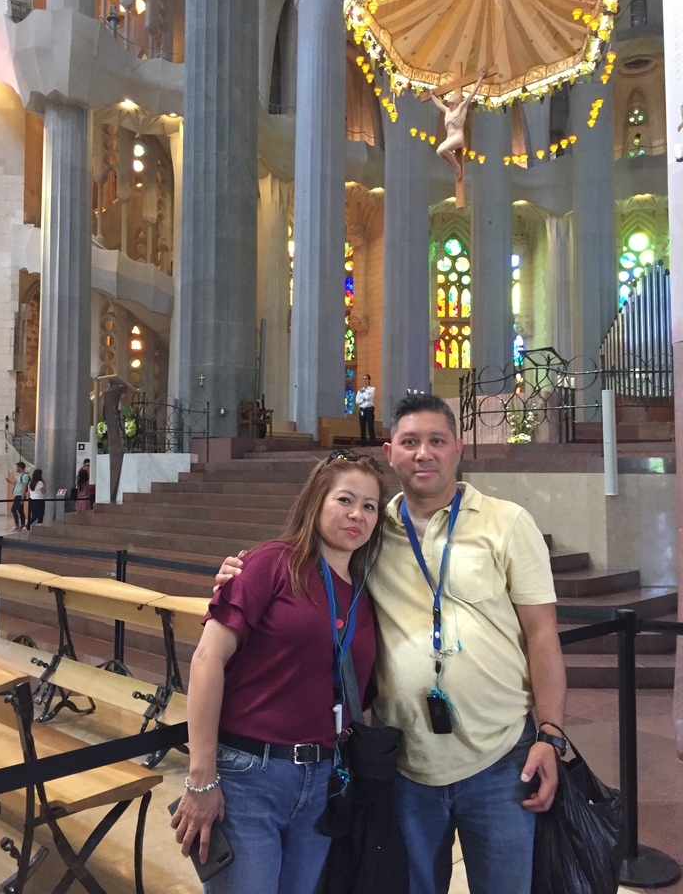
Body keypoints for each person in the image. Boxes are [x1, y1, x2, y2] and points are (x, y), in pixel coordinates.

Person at [217, 393, 567, 894]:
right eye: (410, 442)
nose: (423, 452)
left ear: (458, 448)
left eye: (437, 440)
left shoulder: (507, 522)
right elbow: (307, 564)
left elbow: (543, 633)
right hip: (406, 761)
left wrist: (551, 734)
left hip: (501, 757)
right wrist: (239, 571)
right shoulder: (371, 530)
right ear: (389, 453)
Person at [171, 453, 388, 894]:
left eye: (369, 506)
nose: (357, 514)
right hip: (250, 774)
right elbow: (207, 660)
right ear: (316, 501)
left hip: (322, 779)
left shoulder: (364, 595)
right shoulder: (272, 562)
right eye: (345, 499)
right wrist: (201, 777)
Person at [430, 68, 487, 180]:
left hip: (457, 137)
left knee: (443, 150)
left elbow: (472, 94)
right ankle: (456, 166)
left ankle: (457, 167)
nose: (450, 98)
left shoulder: (461, 107)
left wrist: (480, 78)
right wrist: (432, 95)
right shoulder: (447, 111)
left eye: (452, 97)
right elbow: (438, 104)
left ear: (457, 101)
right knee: (439, 152)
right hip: (449, 138)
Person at [355, 374, 376, 447]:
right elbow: (357, 401)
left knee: (370, 426)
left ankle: (372, 442)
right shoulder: (360, 390)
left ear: (369, 380)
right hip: (362, 409)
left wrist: (364, 392)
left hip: (369, 409)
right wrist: (362, 400)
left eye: (366, 379)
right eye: (363, 379)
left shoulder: (372, 389)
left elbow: (369, 397)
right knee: (362, 426)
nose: (365, 380)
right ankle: (363, 443)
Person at [10, 461, 30, 532]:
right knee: (20, 510)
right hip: (17, 495)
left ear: (20, 468)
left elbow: (24, 487)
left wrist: (22, 497)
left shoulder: (25, 476)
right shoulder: (20, 476)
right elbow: (18, 484)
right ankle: (22, 525)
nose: (16, 468)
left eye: (17, 467)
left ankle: (18, 525)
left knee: (13, 509)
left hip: (20, 495)